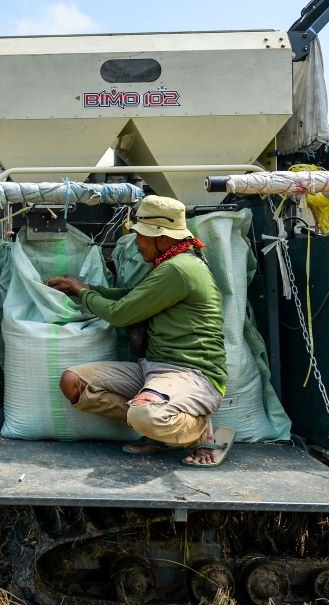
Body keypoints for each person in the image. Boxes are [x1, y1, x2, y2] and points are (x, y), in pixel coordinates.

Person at [45, 195, 233, 467]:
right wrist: (85, 288)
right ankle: (161, 425)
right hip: (152, 369)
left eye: (142, 236)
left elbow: (121, 313)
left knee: (142, 413)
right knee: (73, 383)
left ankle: (196, 430)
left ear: (164, 238)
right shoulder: (169, 264)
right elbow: (132, 297)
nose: (136, 242)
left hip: (191, 375)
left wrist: (84, 293)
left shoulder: (180, 269)